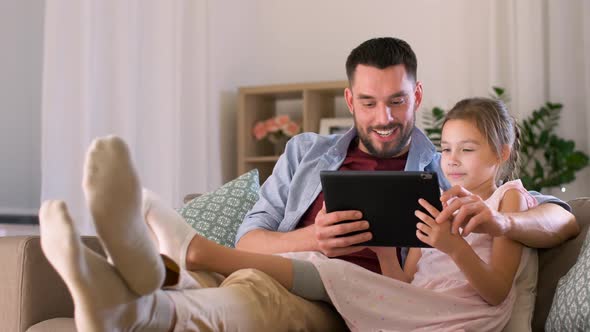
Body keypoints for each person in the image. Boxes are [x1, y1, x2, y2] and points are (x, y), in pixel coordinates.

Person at [38, 37, 579, 331]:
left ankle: (160, 272)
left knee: (254, 292)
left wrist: (503, 220)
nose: (384, 117)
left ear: (417, 98)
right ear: (349, 101)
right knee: (238, 278)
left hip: (334, 305)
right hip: (275, 267)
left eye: (396, 101)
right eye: (368, 103)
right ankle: (132, 297)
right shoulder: (304, 153)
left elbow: (556, 213)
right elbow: (250, 241)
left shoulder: (449, 173)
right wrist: (311, 238)